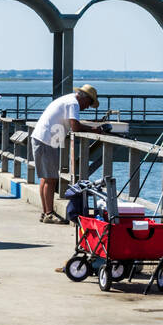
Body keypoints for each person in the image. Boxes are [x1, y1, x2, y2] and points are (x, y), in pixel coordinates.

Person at [31, 84, 100, 223]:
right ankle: (49, 214)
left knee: (45, 179)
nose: (87, 107)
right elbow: (75, 126)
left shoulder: (68, 99)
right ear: (84, 98)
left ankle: (46, 213)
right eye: (89, 103)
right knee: (51, 180)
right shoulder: (73, 103)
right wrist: (94, 129)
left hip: (42, 138)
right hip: (47, 141)